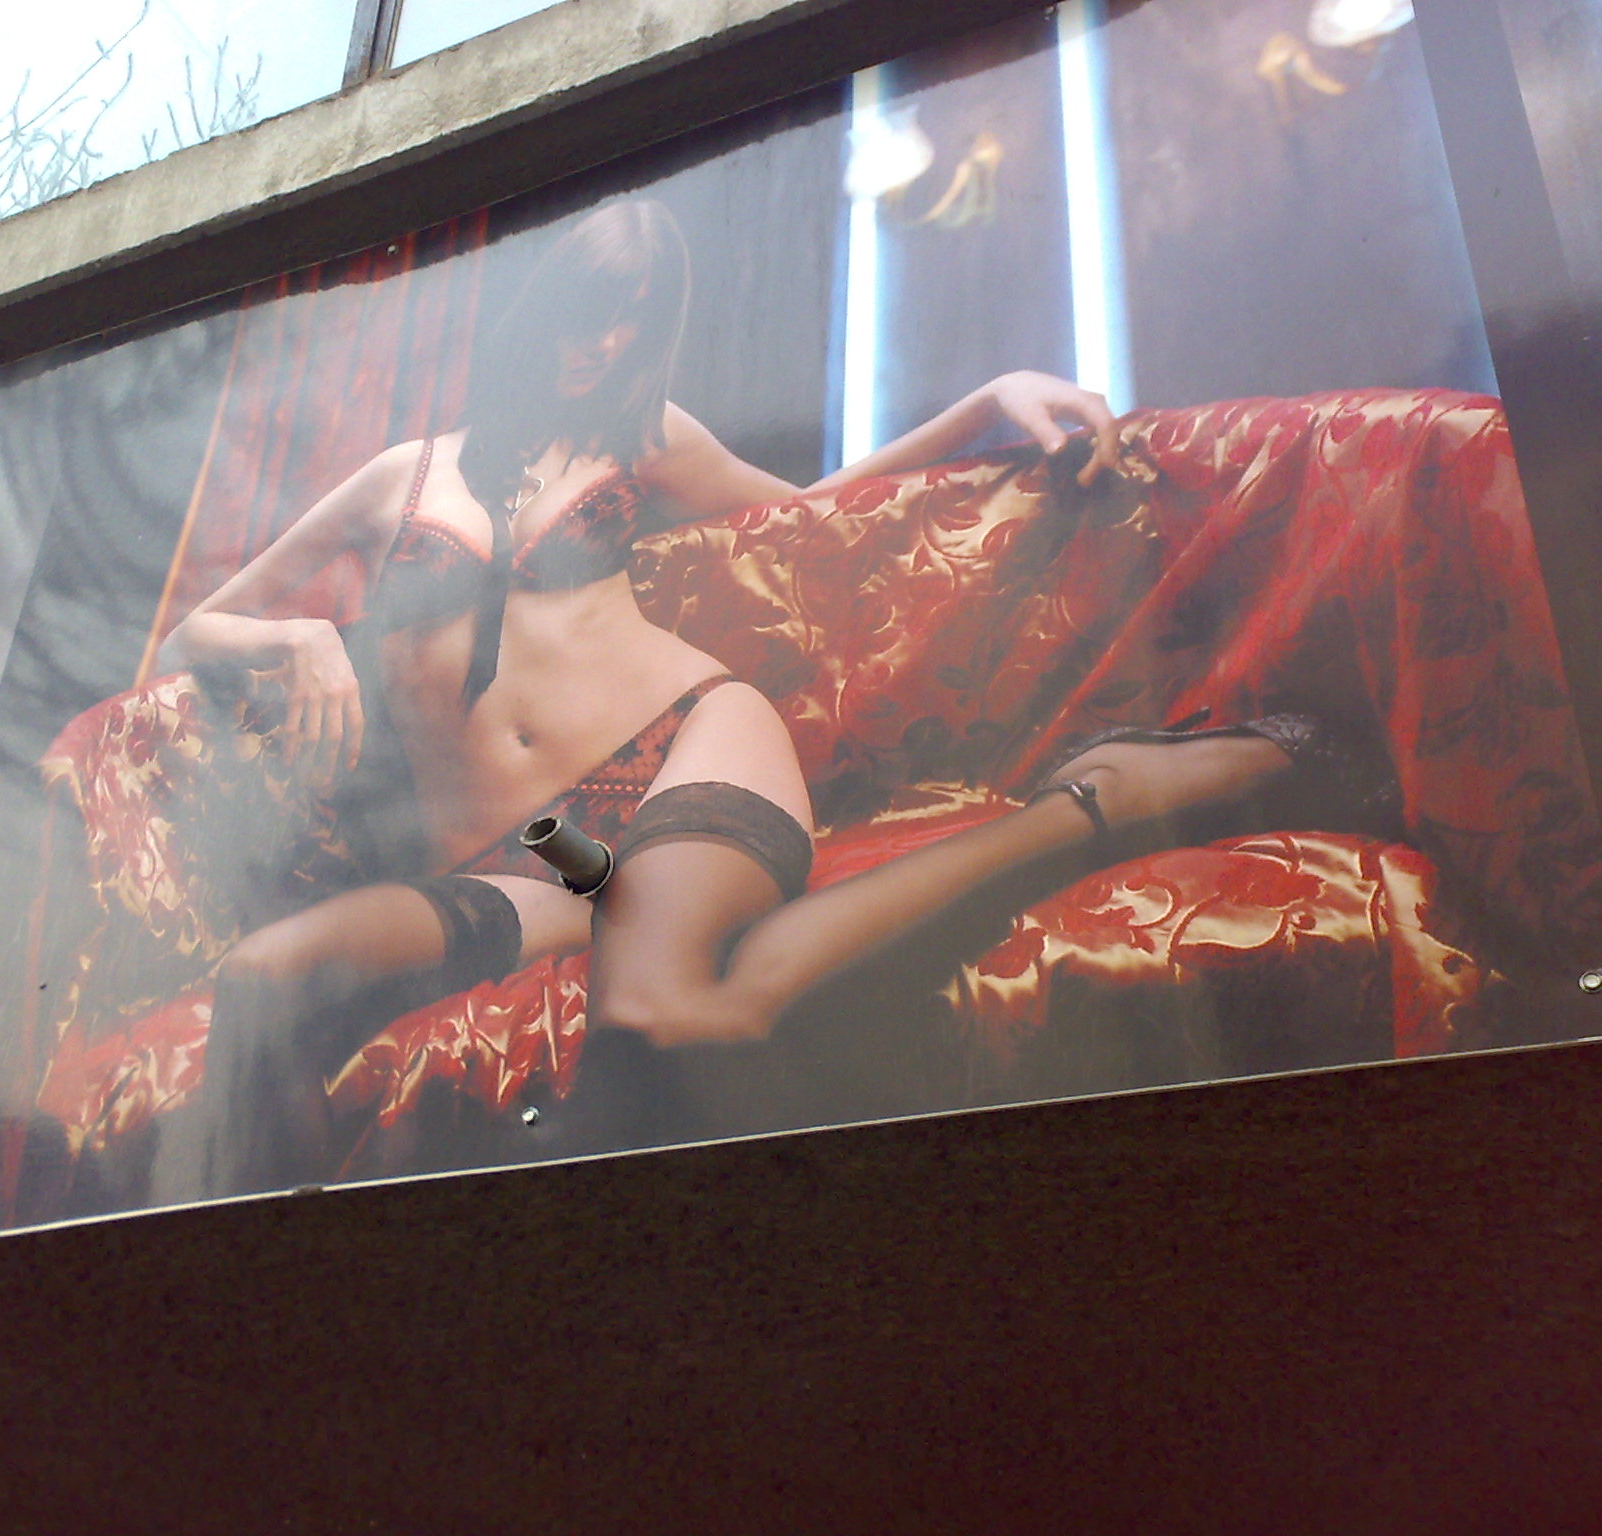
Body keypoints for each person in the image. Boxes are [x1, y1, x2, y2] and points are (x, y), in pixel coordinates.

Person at [162, 200, 1315, 1190]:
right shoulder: (397, 478)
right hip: (545, 854)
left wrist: (983, 404)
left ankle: (1097, 804)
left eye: (631, 318)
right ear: (536, 307)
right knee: (264, 978)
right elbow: (190, 631)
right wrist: (298, 638)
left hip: (683, 743)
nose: (601, 342)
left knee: (656, 1017)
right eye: (586, 308)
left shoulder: (641, 439)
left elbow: (823, 514)